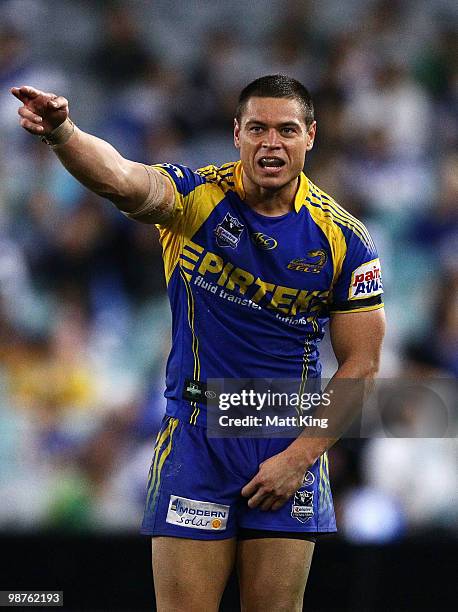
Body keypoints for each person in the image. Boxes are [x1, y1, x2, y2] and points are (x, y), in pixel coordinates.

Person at [11, 75, 385, 612]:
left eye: (286, 130)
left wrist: (299, 459)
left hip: (286, 438)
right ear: (237, 134)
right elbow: (122, 179)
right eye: (257, 128)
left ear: (311, 136)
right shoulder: (195, 198)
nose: (270, 143)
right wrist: (64, 133)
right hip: (196, 437)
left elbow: (363, 368)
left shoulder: (345, 240)